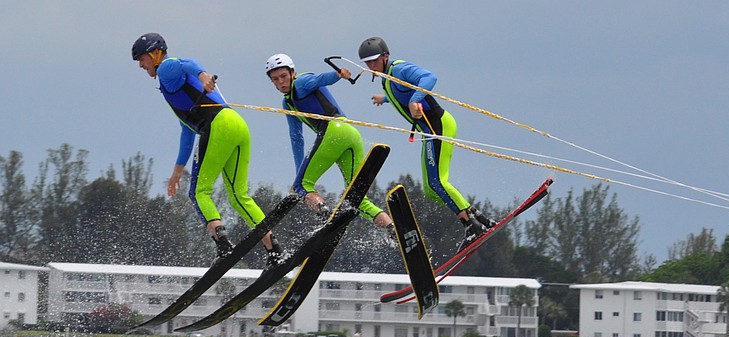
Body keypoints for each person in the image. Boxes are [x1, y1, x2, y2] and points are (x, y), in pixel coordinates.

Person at [132, 33, 285, 267]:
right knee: (238, 195)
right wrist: (176, 172)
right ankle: (274, 249)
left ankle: (223, 244)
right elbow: (186, 131)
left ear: (154, 53)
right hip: (237, 124)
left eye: (142, 59)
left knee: (199, 192)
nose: (141, 66)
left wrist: (203, 75)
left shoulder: (165, 69)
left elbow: (187, 63)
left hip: (217, 126)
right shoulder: (172, 87)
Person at [358, 37, 496, 251]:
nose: (371, 66)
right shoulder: (386, 79)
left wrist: (416, 99)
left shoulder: (399, 68)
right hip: (428, 132)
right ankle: (479, 219)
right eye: (367, 63)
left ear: (385, 56)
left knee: (437, 182)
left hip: (438, 127)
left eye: (374, 61)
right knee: (430, 189)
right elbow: (398, 95)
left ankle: (471, 226)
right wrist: (383, 99)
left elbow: (429, 77)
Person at [264, 53, 393, 236]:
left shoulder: (300, 83)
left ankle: (326, 219)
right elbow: (296, 138)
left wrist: (338, 74)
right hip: (350, 134)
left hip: (333, 131)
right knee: (355, 198)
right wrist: (300, 170)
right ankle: (392, 228)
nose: (281, 82)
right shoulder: (287, 103)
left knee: (301, 187)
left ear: (293, 73)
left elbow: (319, 79)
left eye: (284, 76)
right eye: (275, 80)